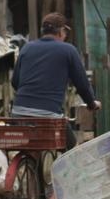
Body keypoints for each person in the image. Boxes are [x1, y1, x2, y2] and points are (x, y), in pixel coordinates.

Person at [11, 12, 101, 147]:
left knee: (33, 146)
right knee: (72, 150)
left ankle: (29, 165)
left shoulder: (27, 48)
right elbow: (82, 85)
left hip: (18, 113)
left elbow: (15, 82)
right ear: (60, 31)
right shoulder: (68, 50)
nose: (65, 36)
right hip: (48, 116)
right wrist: (91, 104)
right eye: (65, 32)